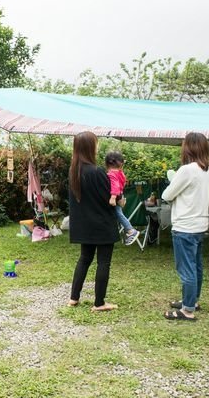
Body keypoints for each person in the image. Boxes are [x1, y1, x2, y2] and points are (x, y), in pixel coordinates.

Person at [161, 132, 209, 321]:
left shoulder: (187, 170)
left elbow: (167, 195)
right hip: (199, 224)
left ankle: (187, 309)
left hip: (185, 226)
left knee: (187, 268)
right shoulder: (206, 169)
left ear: (187, 147)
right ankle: (192, 301)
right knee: (196, 266)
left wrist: (173, 179)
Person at [67, 132, 119, 311]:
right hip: (102, 224)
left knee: (84, 259)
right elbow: (110, 198)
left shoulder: (74, 171)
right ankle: (99, 303)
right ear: (90, 147)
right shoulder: (96, 171)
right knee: (103, 262)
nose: (97, 147)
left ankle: (74, 297)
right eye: (95, 144)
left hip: (84, 225)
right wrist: (119, 198)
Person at [105, 152, 140, 245]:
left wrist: (113, 197)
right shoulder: (120, 173)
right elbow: (122, 183)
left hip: (116, 197)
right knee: (118, 214)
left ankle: (130, 230)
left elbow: (115, 185)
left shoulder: (111, 173)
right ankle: (128, 231)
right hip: (120, 195)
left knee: (118, 214)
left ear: (107, 163)